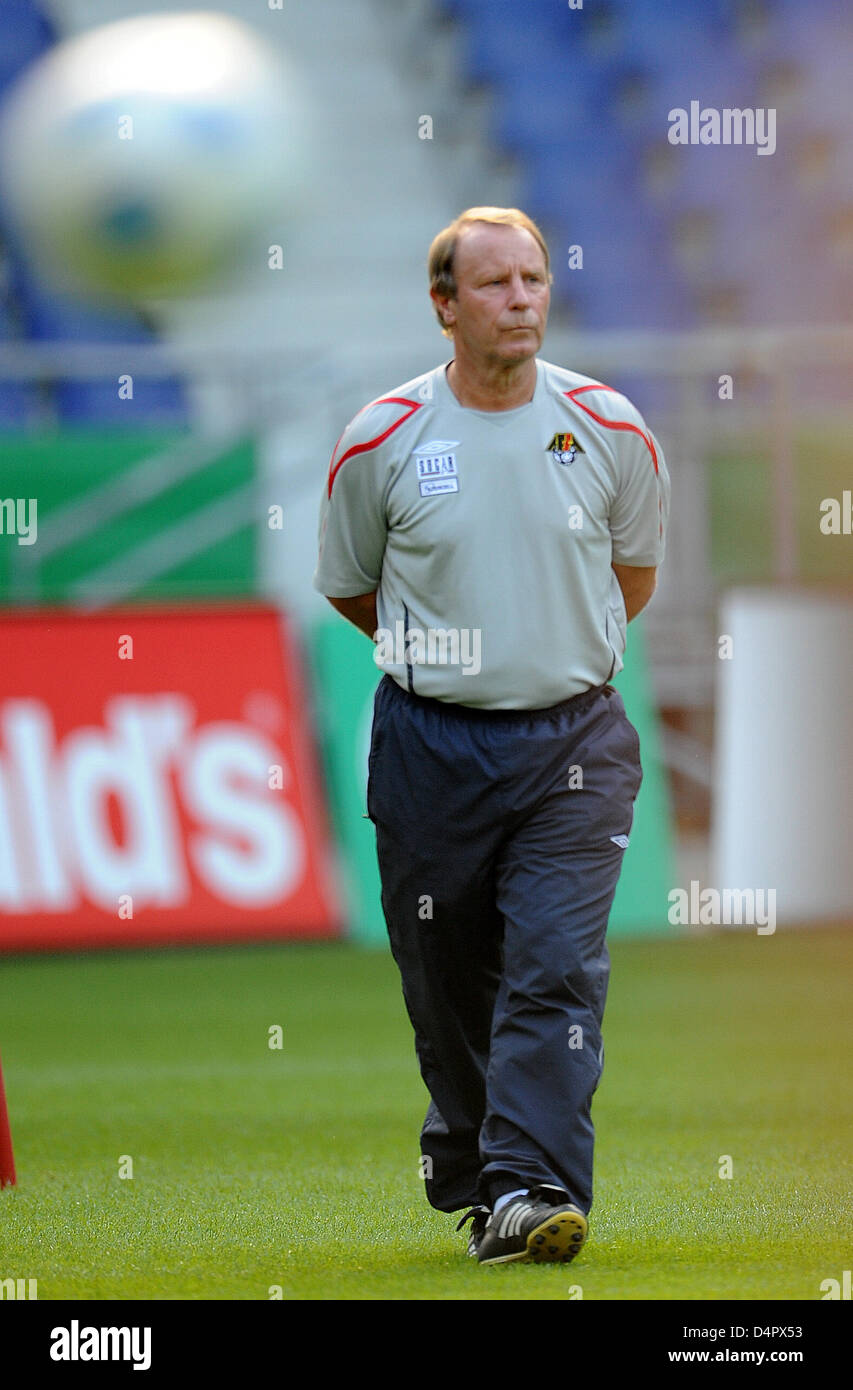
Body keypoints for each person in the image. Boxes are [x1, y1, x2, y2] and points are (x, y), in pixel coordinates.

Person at [313, 207, 670, 1265]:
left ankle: (528, 1188)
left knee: (555, 968)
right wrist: (454, 665)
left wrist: (541, 655)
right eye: (495, 284)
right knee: (446, 976)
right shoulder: (381, 439)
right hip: (431, 751)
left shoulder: (610, 429)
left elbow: (632, 580)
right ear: (444, 307)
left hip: (574, 748)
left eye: (534, 279)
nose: (521, 299)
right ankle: (473, 1157)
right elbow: (350, 586)